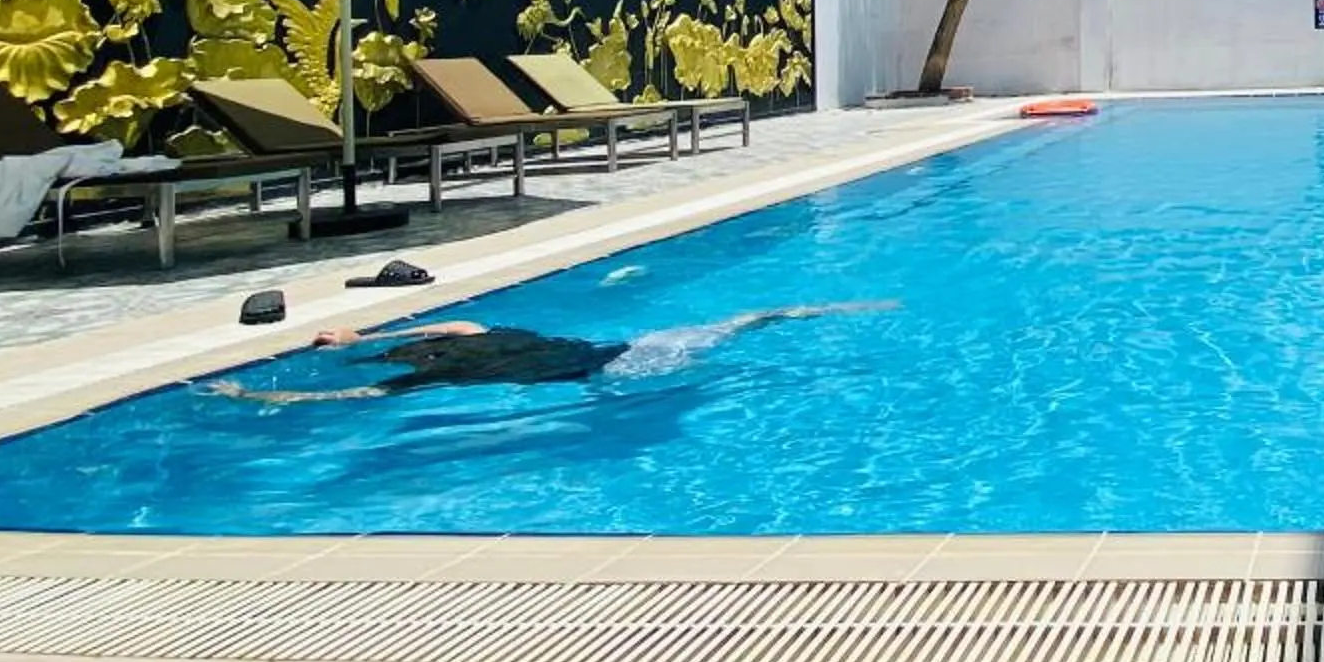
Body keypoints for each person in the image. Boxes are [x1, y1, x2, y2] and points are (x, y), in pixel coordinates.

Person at [201, 300, 897, 403]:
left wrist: (255, 396)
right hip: (622, 356)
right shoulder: (472, 347)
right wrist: (367, 335)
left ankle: (784, 317)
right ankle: (798, 312)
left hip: (612, 370)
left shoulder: (428, 378)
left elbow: (342, 396)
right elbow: (464, 324)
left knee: (731, 349)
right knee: (733, 334)